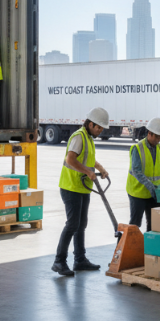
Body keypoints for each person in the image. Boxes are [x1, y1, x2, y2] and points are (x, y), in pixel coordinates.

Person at [52, 107, 111, 277]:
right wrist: (87, 171)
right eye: (98, 127)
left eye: (101, 128)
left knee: (81, 224)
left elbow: (87, 158)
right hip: (71, 187)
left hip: (82, 187)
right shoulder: (79, 137)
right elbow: (70, 159)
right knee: (72, 224)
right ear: (90, 123)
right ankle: (59, 261)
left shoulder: (88, 138)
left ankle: (79, 259)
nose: (100, 131)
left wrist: (99, 168)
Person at [127, 117, 160, 231]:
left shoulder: (159, 148)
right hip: (137, 192)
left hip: (153, 192)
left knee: (153, 223)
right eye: (157, 137)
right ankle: (125, 247)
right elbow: (136, 171)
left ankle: (149, 247)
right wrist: (150, 186)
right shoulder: (137, 148)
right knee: (134, 224)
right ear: (150, 133)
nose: (159, 139)